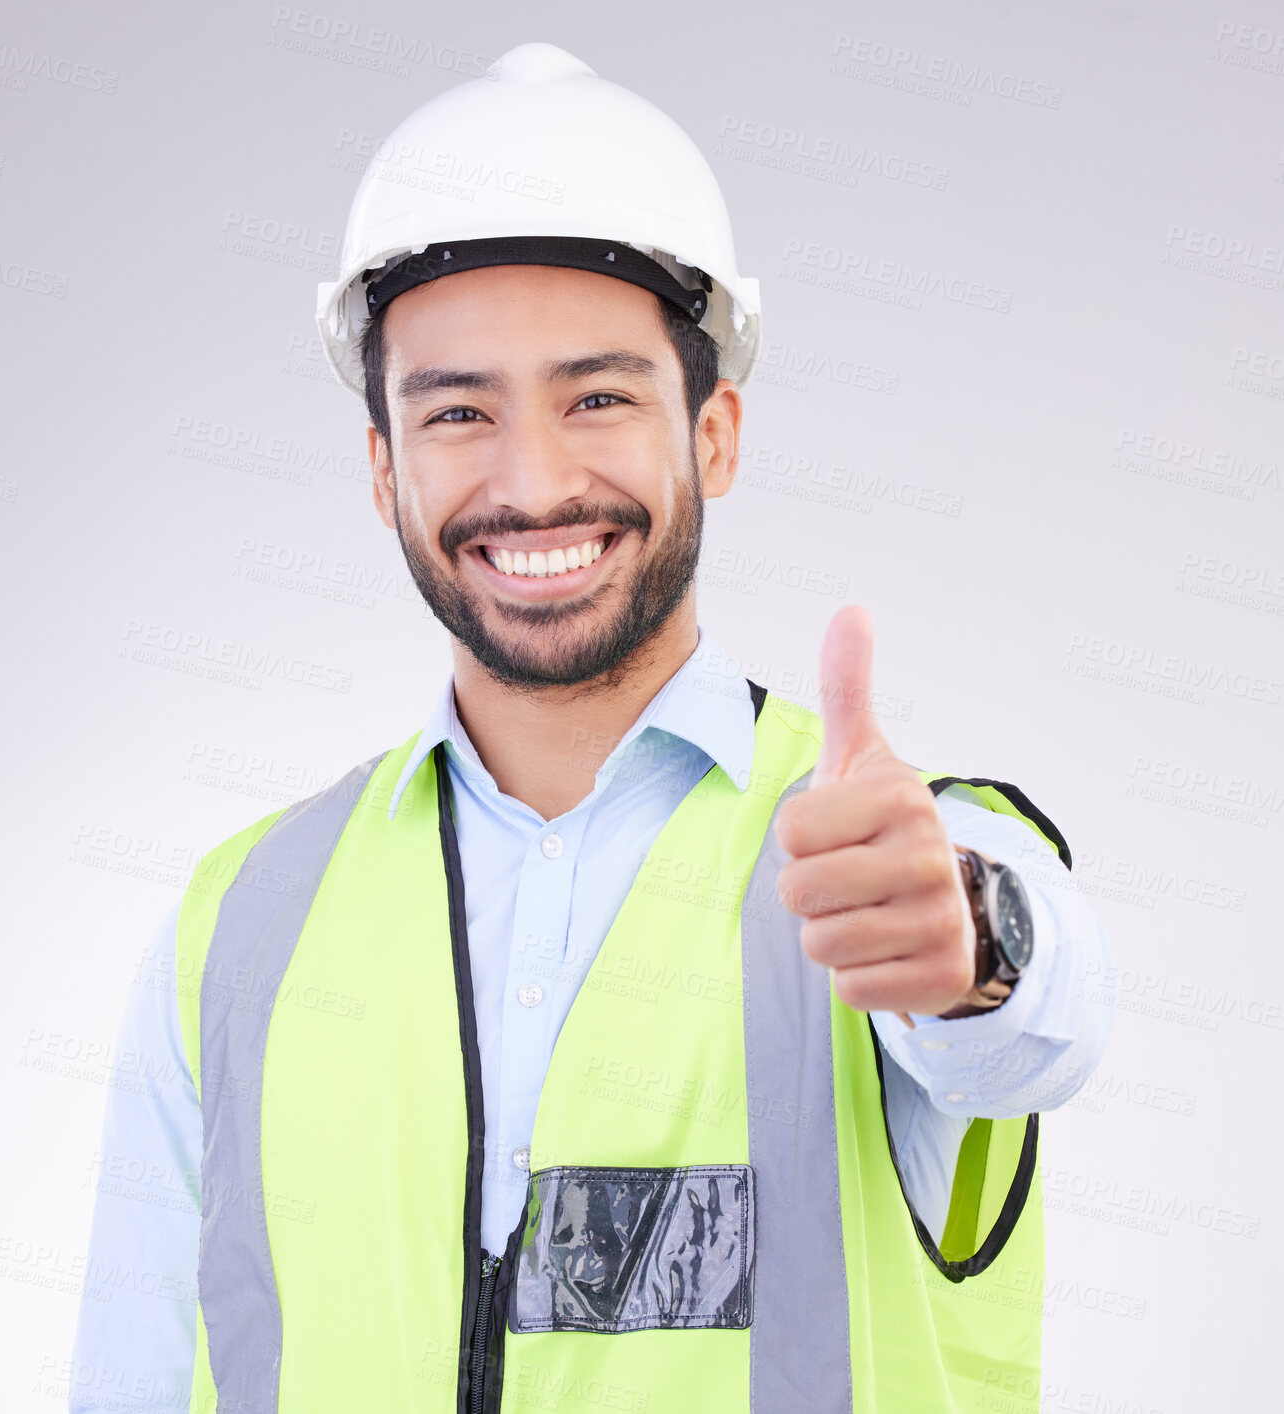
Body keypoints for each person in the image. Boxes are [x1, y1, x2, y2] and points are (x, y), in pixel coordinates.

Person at [70, 41, 1114, 1414]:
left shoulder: (882, 853)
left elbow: (1036, 1017)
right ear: (382, 465)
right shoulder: (238, 923)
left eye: (599, 397)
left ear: (715, 432)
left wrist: (972, 939)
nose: (533, 479)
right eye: (456, 411)